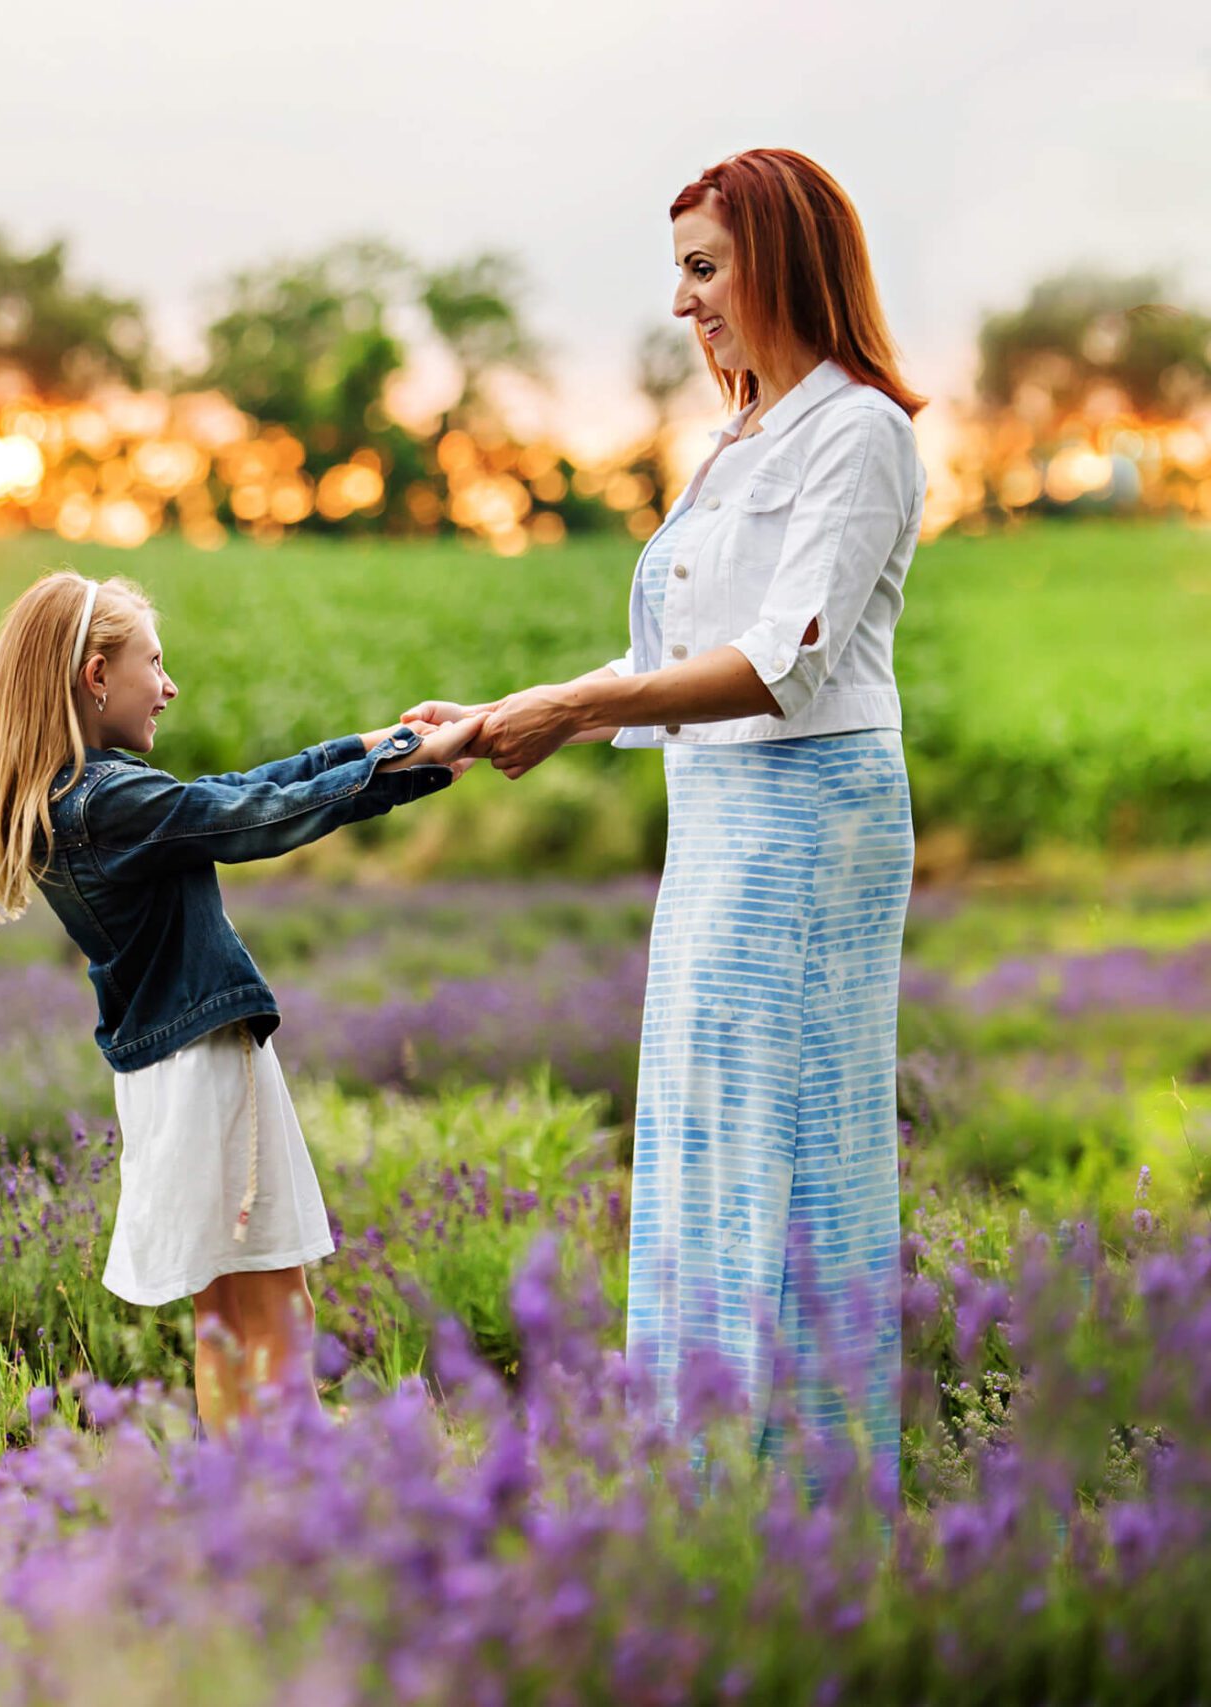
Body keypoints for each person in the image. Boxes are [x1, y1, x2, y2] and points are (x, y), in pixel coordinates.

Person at [409, 148, 927, 1484]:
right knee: (703, 1125)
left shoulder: (858, 429)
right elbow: (683, 656)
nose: (686, 302)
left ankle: (810, 1491)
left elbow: (780, 663)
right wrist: (497, 718)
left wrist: (569, 710)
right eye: (680, 274)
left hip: (811, 814)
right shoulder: (744, 436)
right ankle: (709, 1470)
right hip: (722, 815)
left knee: (787, 1132)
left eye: (707, 269)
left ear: (784, 263)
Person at [0, 569, 480, 1435]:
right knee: (277, 1310)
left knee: (228, 1322)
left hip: (170, 1078)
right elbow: (249, 813)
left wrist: (378, 745)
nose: (168, 688)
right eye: (153, 665)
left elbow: (239, 789)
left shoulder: (77, 799)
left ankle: (243, 1506)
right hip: (206, 1070)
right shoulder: (109, 801)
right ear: (96, 676)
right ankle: (296, 1504)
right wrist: (406, 759)